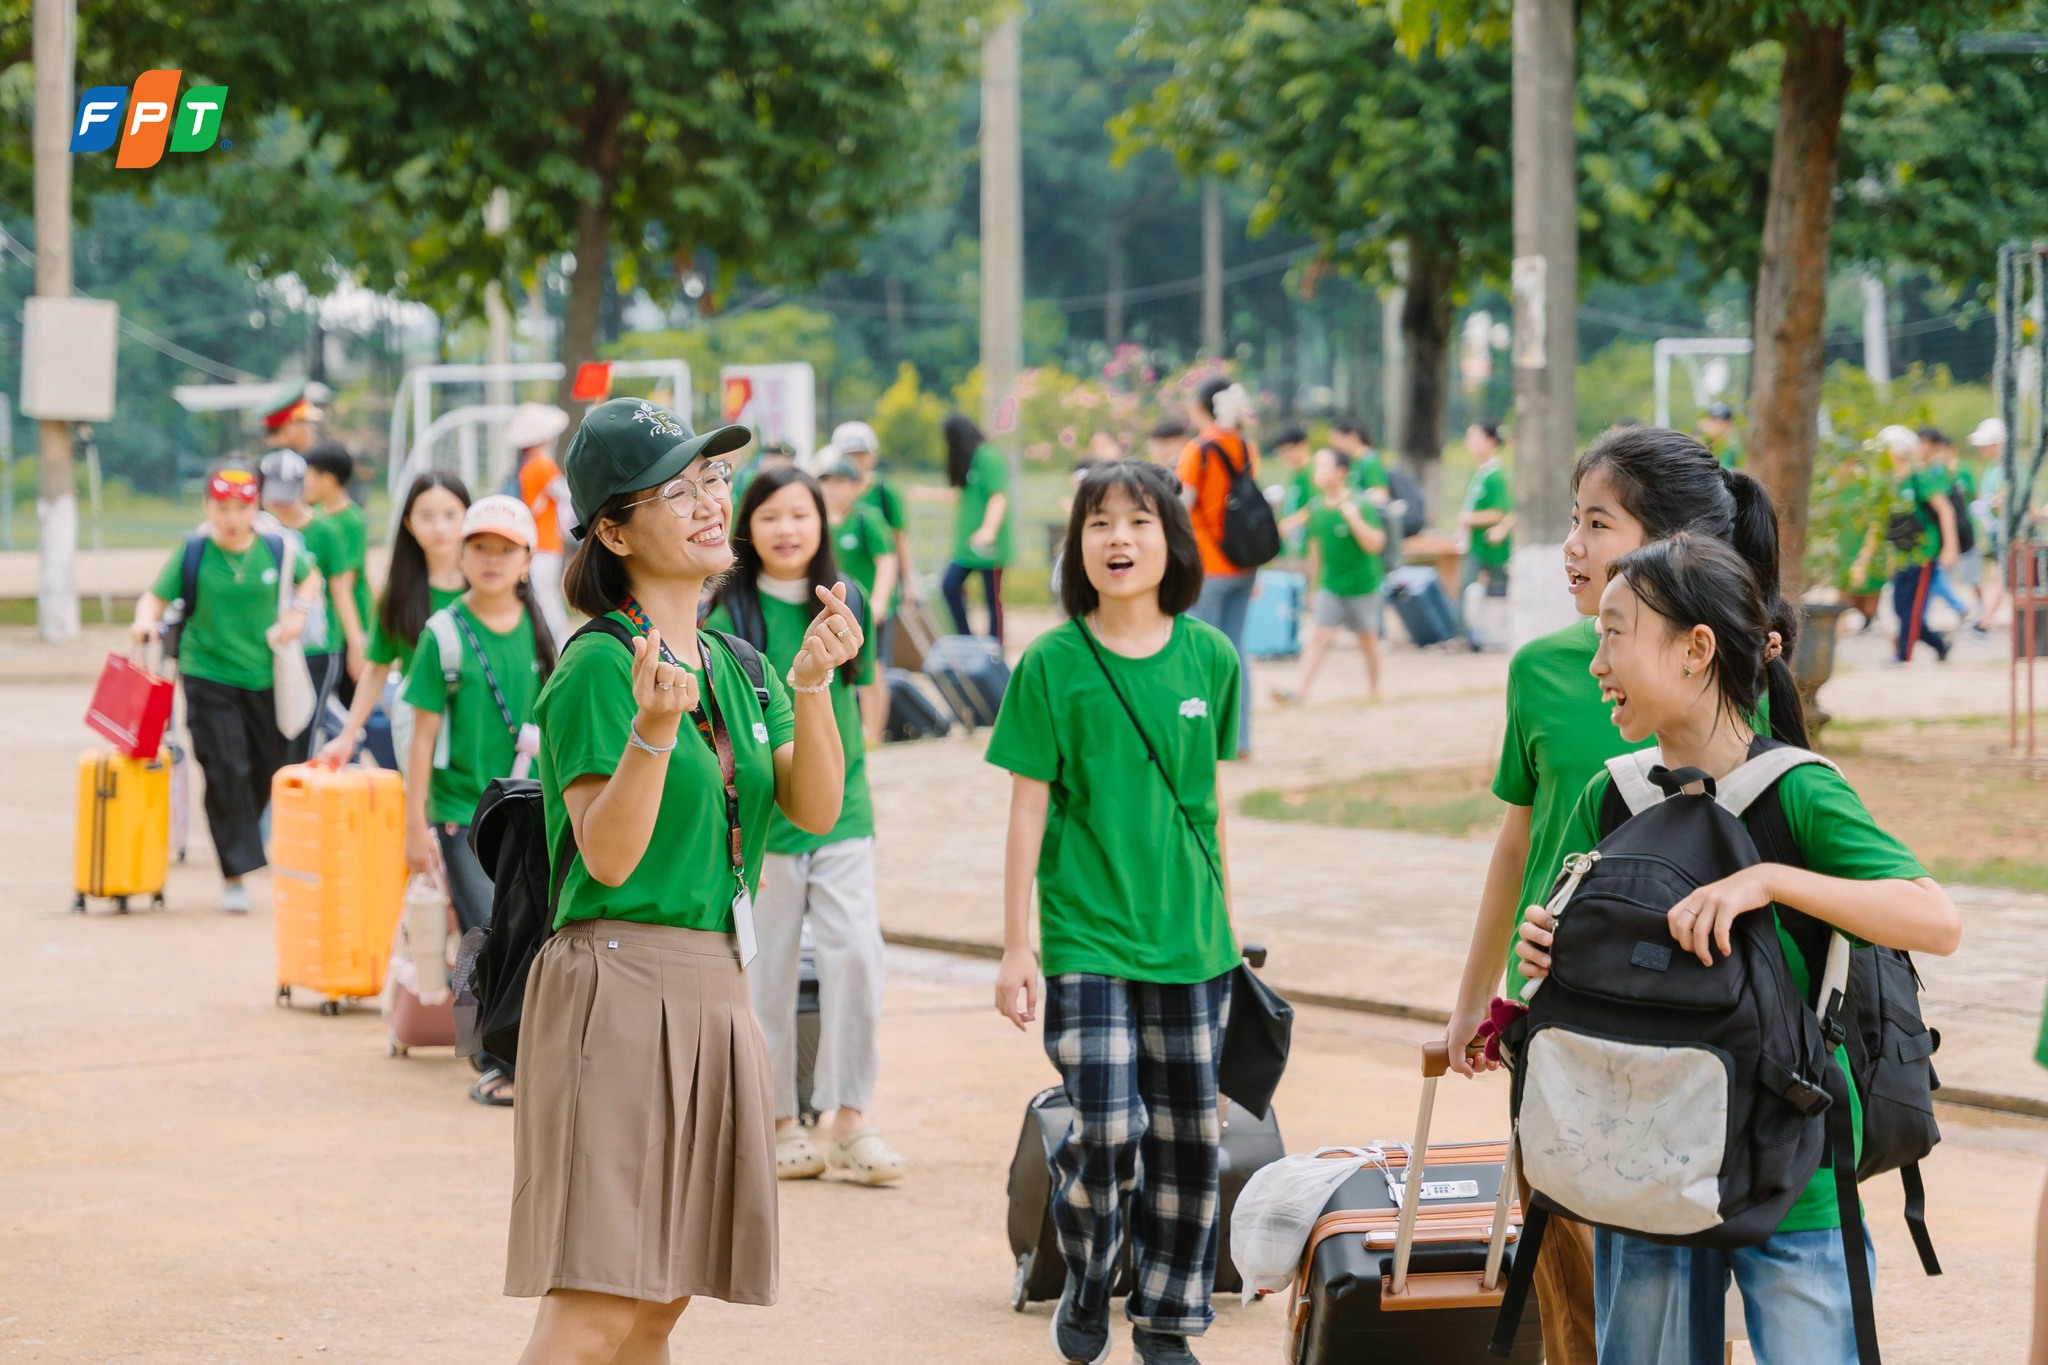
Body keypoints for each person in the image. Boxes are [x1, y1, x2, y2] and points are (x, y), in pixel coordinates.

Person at [1515, 532, 1960, 1365]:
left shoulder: (1798, 790)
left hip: (1793, 1181)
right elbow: (1553, 955)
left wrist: (1771, 883)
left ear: (1696, 649)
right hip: (1646, 1174)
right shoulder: (1608, 796)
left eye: (1616, 634)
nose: (1595, 661)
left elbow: (1934, 918)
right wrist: (1540, 947)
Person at [507, 397, 861, 1363]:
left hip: (714, 985)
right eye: (678, 489)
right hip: (616, 983)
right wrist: (653, 732)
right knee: (595, 1305)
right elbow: (607, 855)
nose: (711, 503)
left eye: (713, 480)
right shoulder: (596, 664)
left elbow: (814, 808)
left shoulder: (739, 663)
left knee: (661, 1300)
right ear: (614, 529)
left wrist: (814, 683)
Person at [1442, 425, 1798, 1365]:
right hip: (1564, 1009)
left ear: (1671, 545)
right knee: (1568, 1278)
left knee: (1674, 1274)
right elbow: (1519, 840)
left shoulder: (1717, 667)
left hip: (1691, 1021)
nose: (1572, 545)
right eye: (1573, 521)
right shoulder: (1539, 670)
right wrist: (1477, 998)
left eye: (1597, 523)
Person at [989, 460, 1241, 1365]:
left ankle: (1169, 1318)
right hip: (1086, 935)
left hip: (1192, 941)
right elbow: (1026, 806)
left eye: (1139, 521)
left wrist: (1227, 933)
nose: (1119, 539)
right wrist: (1017, 945)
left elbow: (1207, 808)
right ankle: (1092, 1268)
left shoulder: (1212, 657)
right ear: (1077, 545)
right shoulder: (1053, 663)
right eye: (1099, 523)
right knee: (1106, 1126)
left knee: (1188, 1142)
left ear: (1171, 540)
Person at [706, 467, 903, 1188]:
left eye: (801, 515)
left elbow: (862, 690)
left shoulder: (845, 603)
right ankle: (779, 1117)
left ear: (823, 522)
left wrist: (867, 750)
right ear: (746, 528)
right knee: (769, 967)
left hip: (843, 808)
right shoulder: (726, 614)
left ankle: (850, 1115)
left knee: (856, 953)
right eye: (770, 517)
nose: (788, 529)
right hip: (766, 821)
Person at [403, 495, 554, 1108]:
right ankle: (492, 1057)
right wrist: (415, 827)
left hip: (533, 805)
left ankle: (522, 1051)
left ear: (526, 560)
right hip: (461, 812)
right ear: (460, 555)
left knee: (533, 928)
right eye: (480, 548)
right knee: (484, 928)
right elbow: (421, 736)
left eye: (506, 549)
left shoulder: (549, 632)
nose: (492, 561)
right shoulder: (441, 635)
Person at [129, 466, 317, 913]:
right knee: (224, 767)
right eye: (223, 507)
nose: (232, 517)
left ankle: (243, 845)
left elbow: (311, 578)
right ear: (207, 507)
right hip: (207, 674)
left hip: (265, 677)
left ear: (256, 507)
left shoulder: (276, 548)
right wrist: (143, 620)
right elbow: (154, 597)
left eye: (242, 507)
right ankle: (235, 870)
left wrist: (298, 612)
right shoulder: (194, 551)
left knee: (265, 768)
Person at [318, 473, 472, 771]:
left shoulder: (487, 586)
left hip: (481, 728)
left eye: (450, 515)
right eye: (426, 517)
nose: (440, 527)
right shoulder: (400, 594)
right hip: (421, 736)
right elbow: (377, 668)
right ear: (409, 524)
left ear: (468, 516)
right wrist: (348, 735)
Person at [1176, 377, 1260, 758]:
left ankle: (1202, 740)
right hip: (1243, 564)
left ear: (1201, 408)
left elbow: (1182, 506)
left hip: (1207, 566)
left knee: (1199, 653)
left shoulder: (1198, 450)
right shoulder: (1244, 447)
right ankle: (1240, 739)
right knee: (1235, 651)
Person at [1275, 447, 1386, 705]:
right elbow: (1315, 552)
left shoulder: (1359, 504)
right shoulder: (1316, 507)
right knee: (1318, 637)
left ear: (1341, 472)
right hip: (1331, 585)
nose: (1318, 471)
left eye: (1324, 466)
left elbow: (1376, 544)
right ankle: (1299, 692)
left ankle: (1375, 690)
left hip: (1362, 586)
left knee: (1367, 639)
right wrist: (1314, 587)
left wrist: (1355, 520)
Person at [258, 449, 345, 762]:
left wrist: (356, 642)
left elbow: (341, 590)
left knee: (304, 736)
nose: (280, 503)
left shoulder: (324, 530)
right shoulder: (256, 530)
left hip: (315, 648)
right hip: (276, 649)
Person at [817, 456, 898, 743]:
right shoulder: (816, 521)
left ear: (855, 486)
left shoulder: (867, 519)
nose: (831, 489)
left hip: (864, 610)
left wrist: (878, 601)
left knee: (871, 669)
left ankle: (873, 734)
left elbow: (887, 560)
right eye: (825, 482)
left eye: (839, 482)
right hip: (830, 610)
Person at [835, 420, 920, 671]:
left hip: (876, 592)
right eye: (849, 455)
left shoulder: (883, 492)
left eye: (861, 455)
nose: (856, 461)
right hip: (843, 591)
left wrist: (909, 582)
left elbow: (898, 540)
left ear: (872, 457)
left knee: (877, 664)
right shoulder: (832, 491)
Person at [303, 442, 372, 709]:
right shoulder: (314, 516)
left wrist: (356, 643)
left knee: (344, 706)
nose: (304, 483)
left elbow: (345, 586)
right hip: (322, 625)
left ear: (328, 479)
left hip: (345, 627)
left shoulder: (351, 520)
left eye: (309, 475)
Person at [934, 412, 1012, 642]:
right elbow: (959, 494)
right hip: (967, 545)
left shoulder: (988, 456)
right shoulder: (969, 460)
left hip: (990, 546)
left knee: (993, 599)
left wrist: (988, 529)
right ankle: (967, 639)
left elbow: (998, 496)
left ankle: (995, 647)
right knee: (949, 586)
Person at [1887, 423, 1958, 665]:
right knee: (1900, 606)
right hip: (1902, 554)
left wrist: (1950, 546)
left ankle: (1903, 654)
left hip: (1923, 552)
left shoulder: (1920, 477)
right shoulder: (1892, 481)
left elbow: (1945, 509)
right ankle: (1939, 643)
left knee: (1913, 607)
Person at [509, 402, 574, 648]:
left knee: (545, 599)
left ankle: (553, 645)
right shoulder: (541, 464)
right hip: (545, 545)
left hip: (539, 544)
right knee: (547, 601)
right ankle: (557, 647)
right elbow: (565, 493)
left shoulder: (526, 465)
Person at [1458, 421, 1514, 631]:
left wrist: (1468, 518)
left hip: (1489, 546)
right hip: (1475, 543)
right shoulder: (1480, 471)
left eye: (1474, 437)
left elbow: (1499, 512)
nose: (1469, 443)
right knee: (1471, 590)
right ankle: (1468, 633)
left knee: (1483, 590)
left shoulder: (1495, 474)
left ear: (1490, 441)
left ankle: (1468, 633)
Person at [1972, 418, 2011, 631]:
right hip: (1997, 533)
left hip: (2010, 536)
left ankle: (1984, 622)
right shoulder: (1991, 469)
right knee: (2002, 578)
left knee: (2003, 578)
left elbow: (2008, 498)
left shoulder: (2008, 469)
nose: (1980, 449)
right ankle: (1984, 621)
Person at [1698, 400, 1744, 469]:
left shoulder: (1732, 450)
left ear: (1728, 424)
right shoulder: (1708, 445)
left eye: (1714, 420)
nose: (1709, 424)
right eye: (1710, 419)